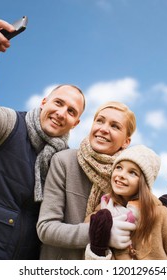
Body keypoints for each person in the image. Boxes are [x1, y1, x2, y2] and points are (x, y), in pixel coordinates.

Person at [0, 18, 86, 260]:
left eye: (71, 111)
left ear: (76, 123)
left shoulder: (65, 160)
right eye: (58, 102)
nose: (61, 113)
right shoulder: (8, 126)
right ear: (44, 102)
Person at [36, 101, 138, 259]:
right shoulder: (64, 161)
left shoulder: (130, 179)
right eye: (100, 121)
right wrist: (100, 232)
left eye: (115, 126)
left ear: (126, 142)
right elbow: (46, 228)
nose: (103, 129)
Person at [85, 145, 167, 260]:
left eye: (132, 173)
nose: (121, 175)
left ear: (143, 183)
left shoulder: (161, 215)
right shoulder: (98, 216)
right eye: (119, 167)